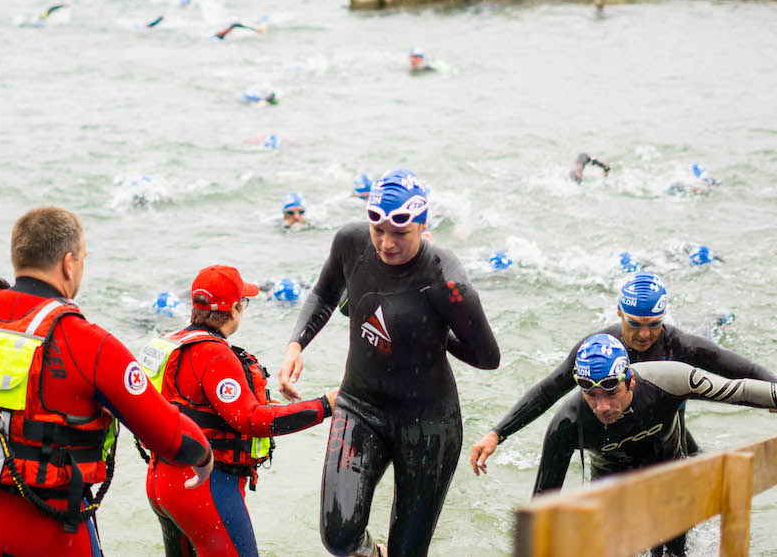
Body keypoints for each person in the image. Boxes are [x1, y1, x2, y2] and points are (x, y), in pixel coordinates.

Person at [0, 206, 212, 557]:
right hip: (48, 529)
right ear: (68, 263)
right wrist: (202, 454)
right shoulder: (87, 341)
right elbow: (165, 434)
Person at [278, 168, 500, 557]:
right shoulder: (351, 242)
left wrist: (436, 333)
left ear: (423, 225)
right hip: (360, 406)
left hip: (429, 424)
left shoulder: (447, 281)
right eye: (377, 229)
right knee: (339, 536)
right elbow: (324, 293)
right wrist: (296, 345)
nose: (386, 242)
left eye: (400, 233)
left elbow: (488, 358)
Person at [470, 272, 777, 479]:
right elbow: (548, 390)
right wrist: (498, 432)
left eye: (654, 324)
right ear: (619, 313)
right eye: (635, 324)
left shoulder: (680, 345)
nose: (645, 334)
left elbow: (745, 373)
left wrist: (773, 392)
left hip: (666, 440)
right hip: (611, 455)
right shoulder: (596, 352)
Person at [140, 265, 337, 557]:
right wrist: (326, 405)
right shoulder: (215, 353)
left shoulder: (171, 344)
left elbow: (190, 406)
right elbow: (251, 421)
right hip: (205, 488)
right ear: (234, 309)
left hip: (162, 482)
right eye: (243, 302)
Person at [530, 334, 777, 556]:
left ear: (631, 381)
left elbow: (739, 390)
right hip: (613, 498)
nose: (602, 407)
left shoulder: (668, 379)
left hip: (672, 488)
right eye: (591, 395)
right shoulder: (568, 422)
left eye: (611, 392)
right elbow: (542, 506)